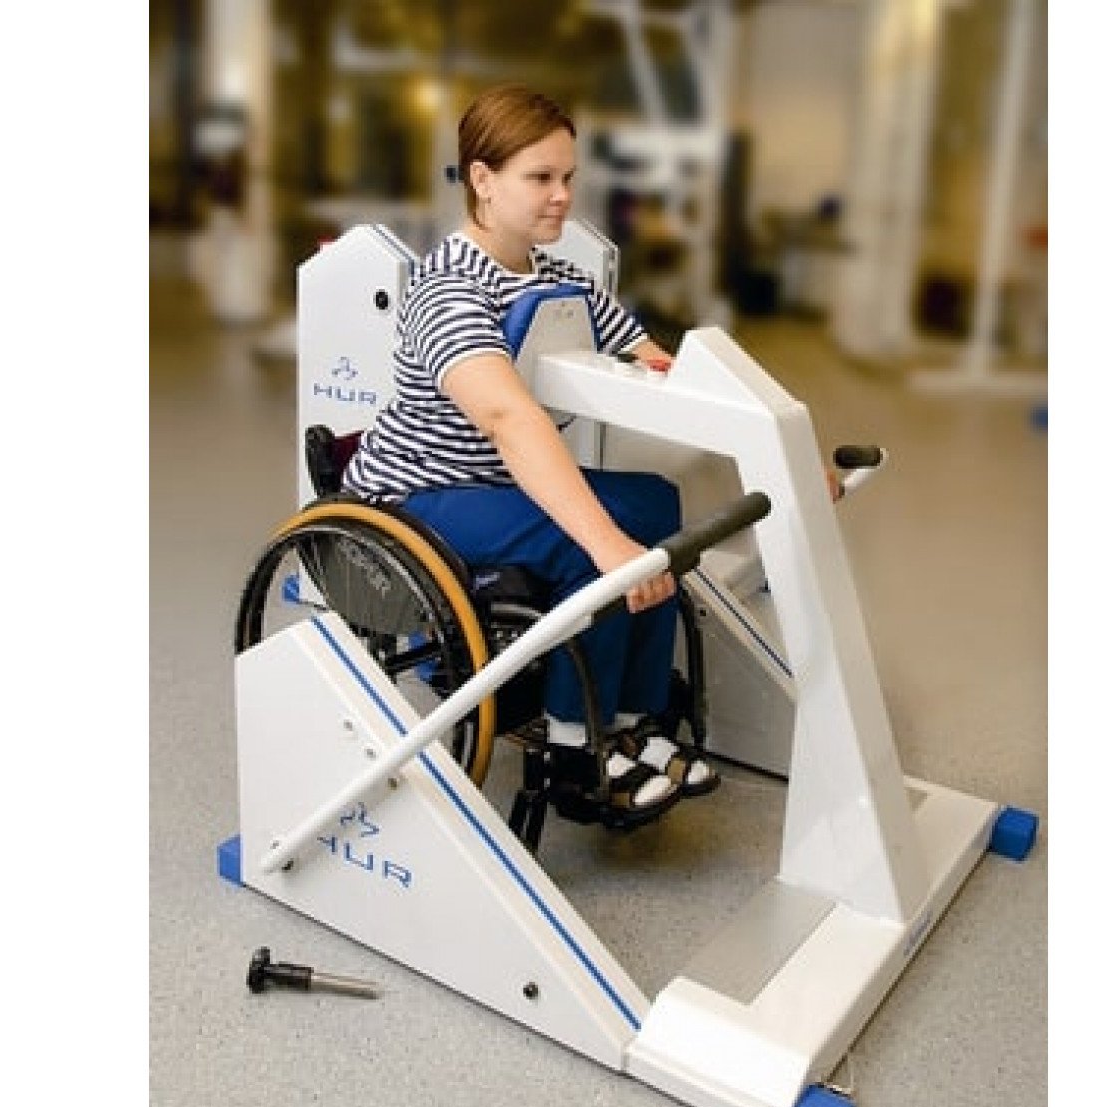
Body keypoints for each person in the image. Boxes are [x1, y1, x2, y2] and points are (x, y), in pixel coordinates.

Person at [343, 84, 833, 824]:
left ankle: (633, 723)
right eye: (540, 177)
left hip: (497, 484)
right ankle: (577, 747)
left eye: (568, 177)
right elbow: (508, 418)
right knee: (591, 542)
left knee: (655, 504)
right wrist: (605, 543)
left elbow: (665, 369)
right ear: (482, 179)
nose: (563, 196)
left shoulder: (559, 282)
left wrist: (783, 451)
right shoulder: (447, 290)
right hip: (418, 497)